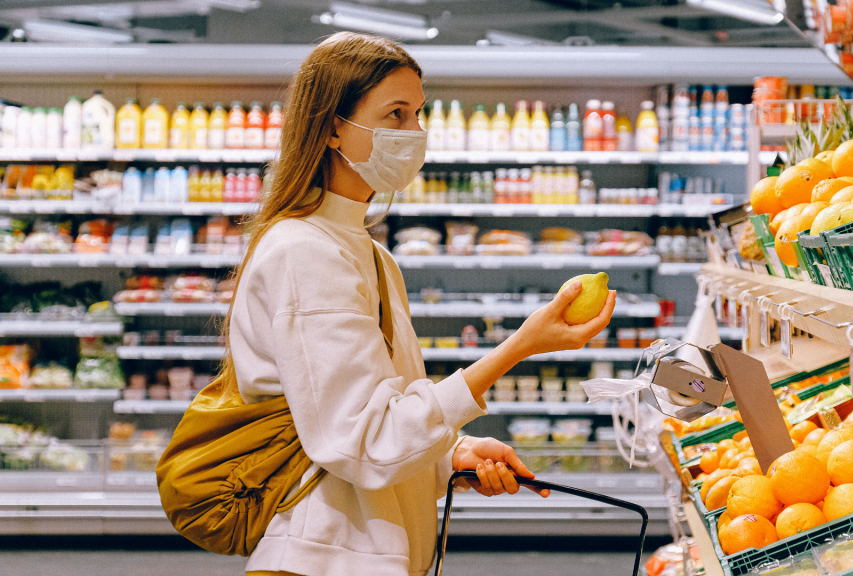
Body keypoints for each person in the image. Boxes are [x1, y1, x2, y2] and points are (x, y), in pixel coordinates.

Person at [225, 32, 616, 576]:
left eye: (419, 114)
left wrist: (448, 454)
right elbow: (366, 441)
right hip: (324, 558)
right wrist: (517, 348)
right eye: (396, 114)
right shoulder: (303, 252)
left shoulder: (371, 254)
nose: (415, 133)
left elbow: (380, 418)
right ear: (333, 124)